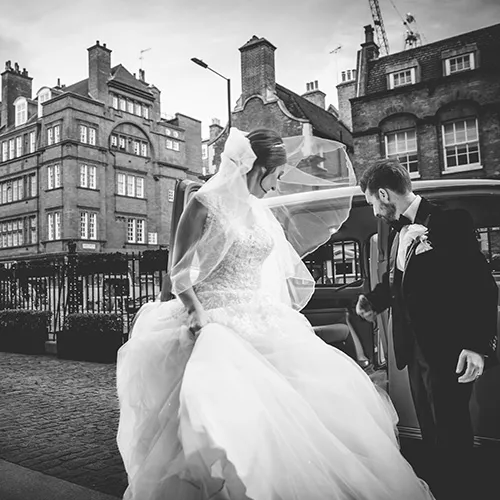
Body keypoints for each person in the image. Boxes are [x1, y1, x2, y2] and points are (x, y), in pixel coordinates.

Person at [116, 128, 435, 500]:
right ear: (260, 168)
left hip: (260, 313)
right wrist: (194, 309)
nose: (276, 186)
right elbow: (179, 271)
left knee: (309, 402)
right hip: (215, 317)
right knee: (220, 410)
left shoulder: (258, 211)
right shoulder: (202, 204)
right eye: (276, 176)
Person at [356, 159, 498, 499]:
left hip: (448, 349)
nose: (375, 210)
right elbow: (403, 283)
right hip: (413, 349)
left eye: (373, 202)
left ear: (384, 194)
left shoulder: (450, 221)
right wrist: (374, 301)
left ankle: (462, 489)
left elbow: (480, 285)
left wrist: (478, 345)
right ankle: (439, 488)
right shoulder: (395, 230)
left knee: (453, 429)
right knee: (430, 429)